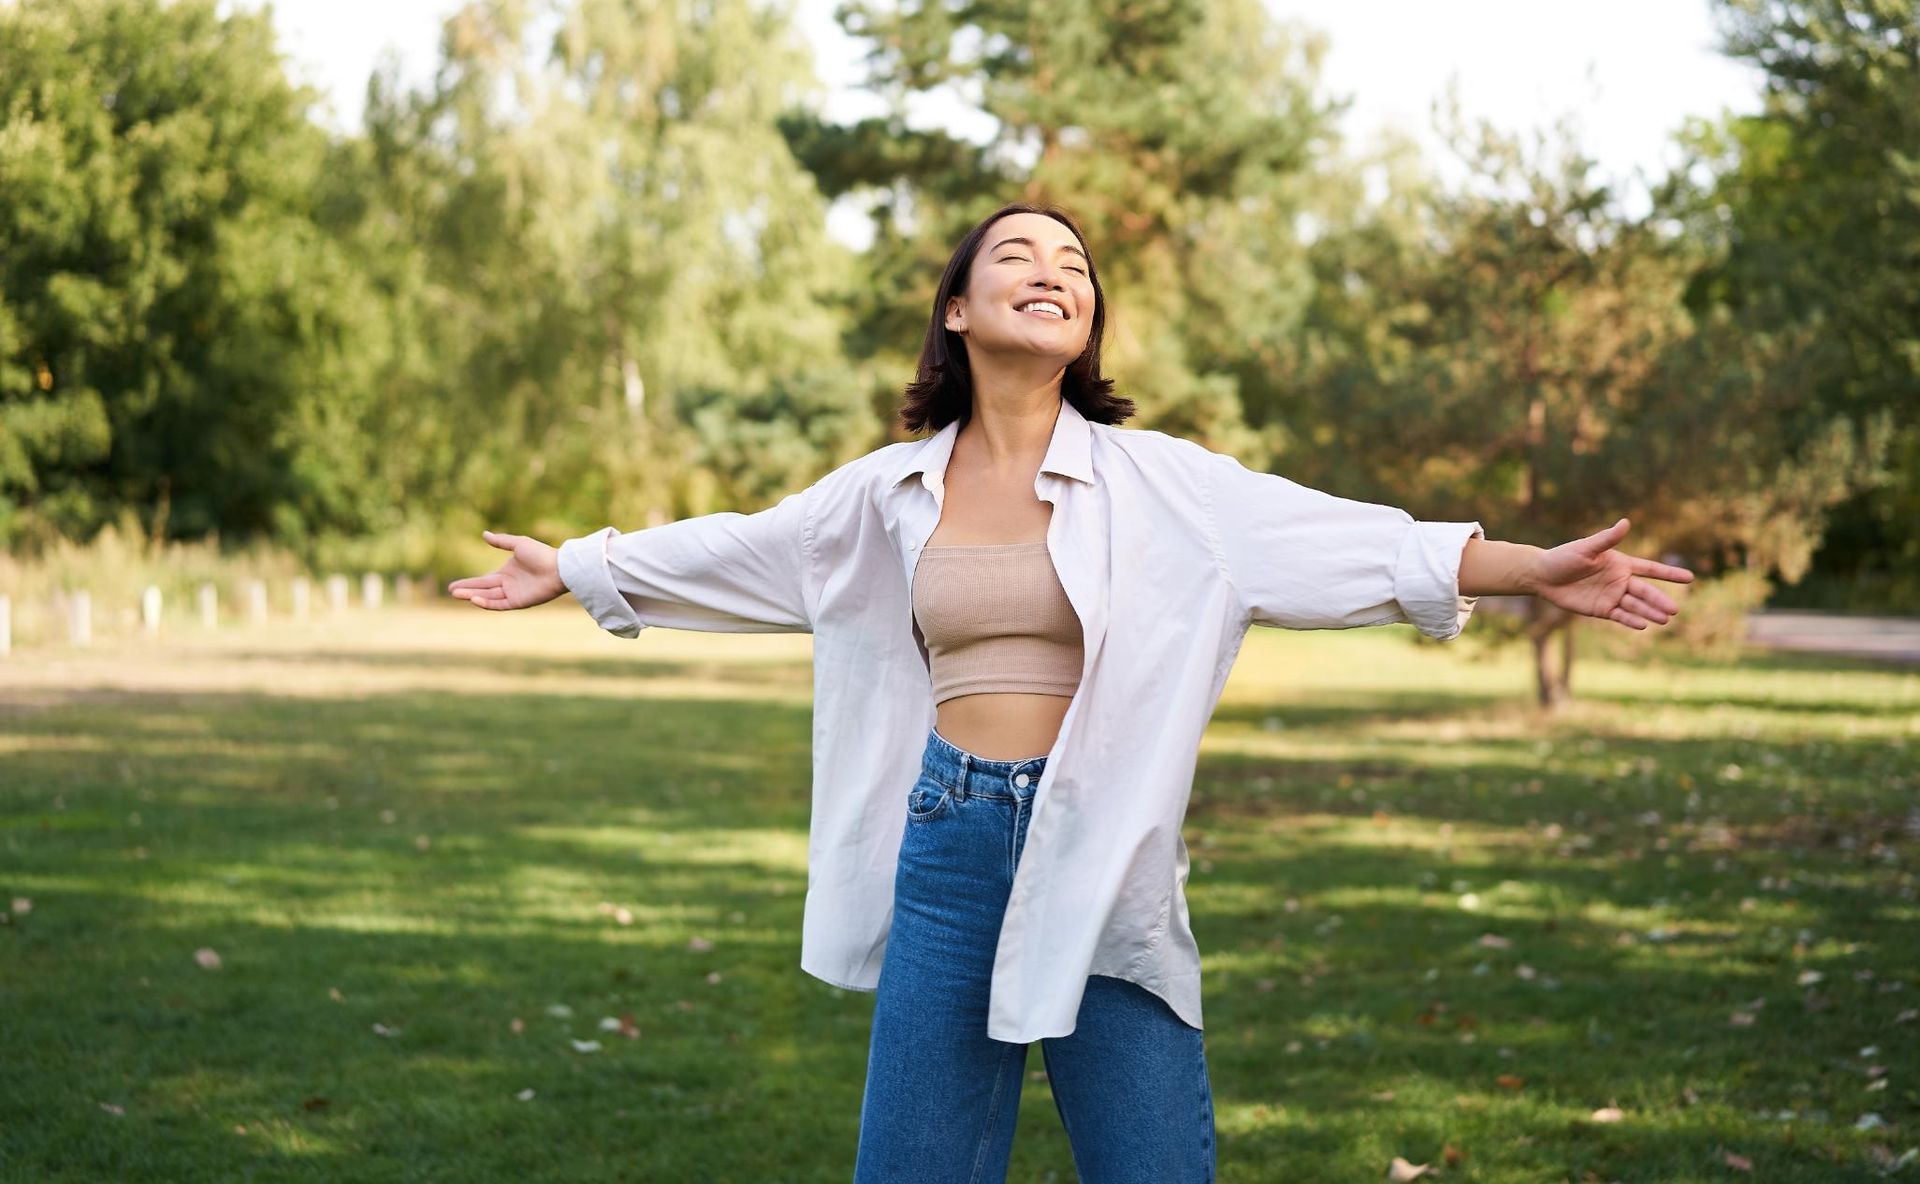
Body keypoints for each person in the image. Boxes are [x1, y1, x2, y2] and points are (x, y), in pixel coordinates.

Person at [447, 201, 1693, 1182]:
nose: (1055, 271)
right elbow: (745, 548)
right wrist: (576, 564)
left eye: (1077, 265)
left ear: (1088, 320)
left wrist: (1538, 569)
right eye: (1020, 255)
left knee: (1149, 1163)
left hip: (1101, 843)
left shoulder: (1168, 485)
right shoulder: (887, 490)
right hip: (945, 847)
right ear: (957, 305)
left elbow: (1352, 542)